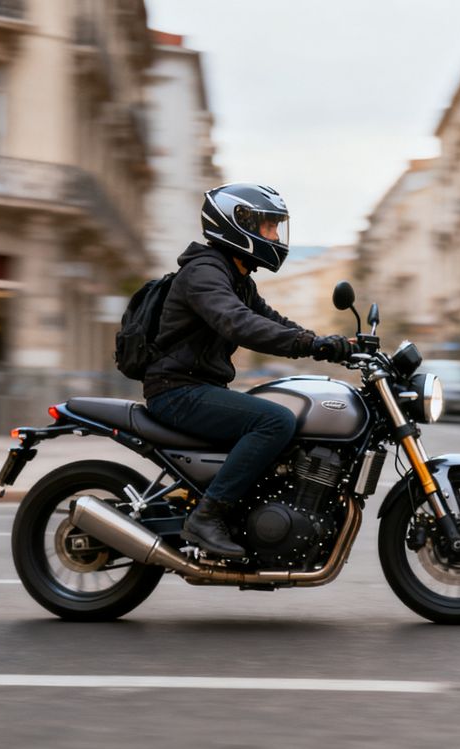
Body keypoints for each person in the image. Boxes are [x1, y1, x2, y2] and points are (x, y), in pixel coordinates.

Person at [143, 183, 354, 558]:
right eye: (268, 227)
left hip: (199, 388)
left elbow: (271, 320)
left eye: (276, 227)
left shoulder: (238, 278)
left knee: (286, 422)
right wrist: (310, 345)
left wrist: (328, 344)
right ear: (237, 223)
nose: (275, 236)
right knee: (275, 421)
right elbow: (237, 323)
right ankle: (207, 517)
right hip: (176, 390)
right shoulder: (204, 272)